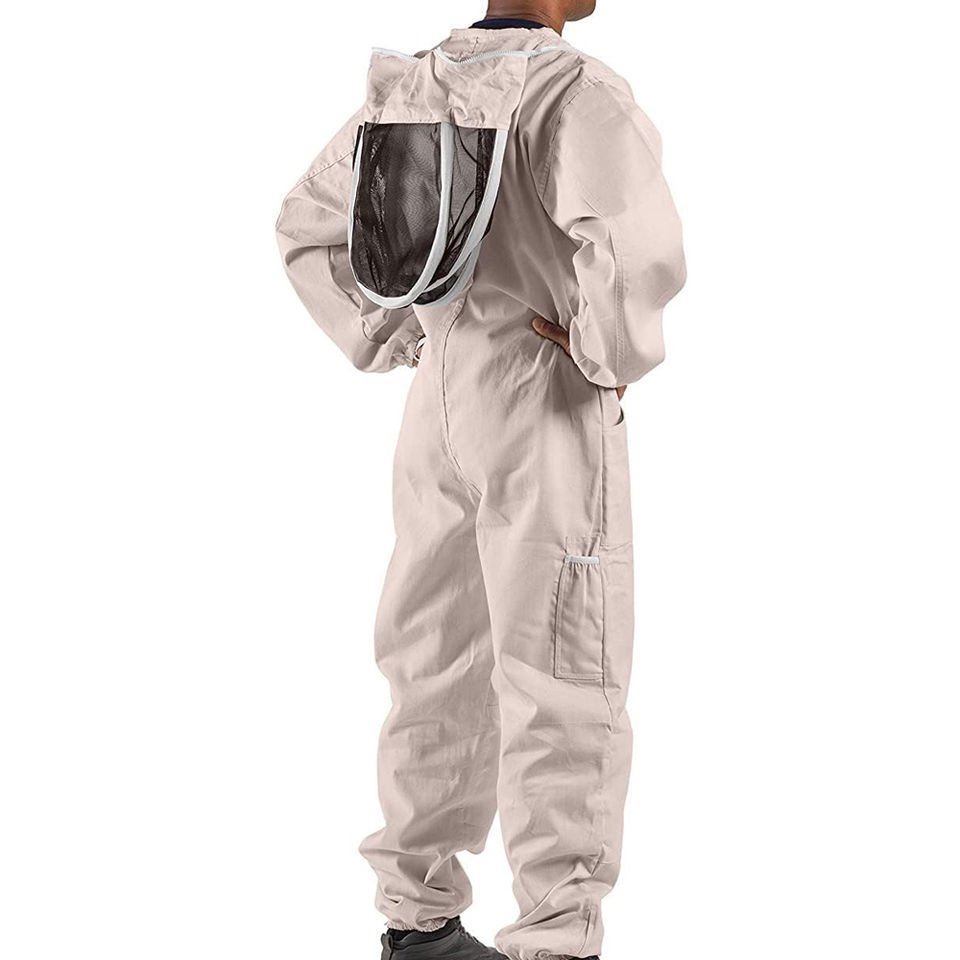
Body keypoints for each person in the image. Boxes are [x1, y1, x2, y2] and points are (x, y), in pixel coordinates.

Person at [275, 2, 686, 958]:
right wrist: (606, 351)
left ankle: (417, 926)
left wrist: (397, 333)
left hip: (440, 403)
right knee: (562, 669)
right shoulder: (573, 93)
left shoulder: (417, 85)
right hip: (544, 397)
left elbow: (307, 223)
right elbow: (637, 251)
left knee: (433, 656)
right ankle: (555, 938)